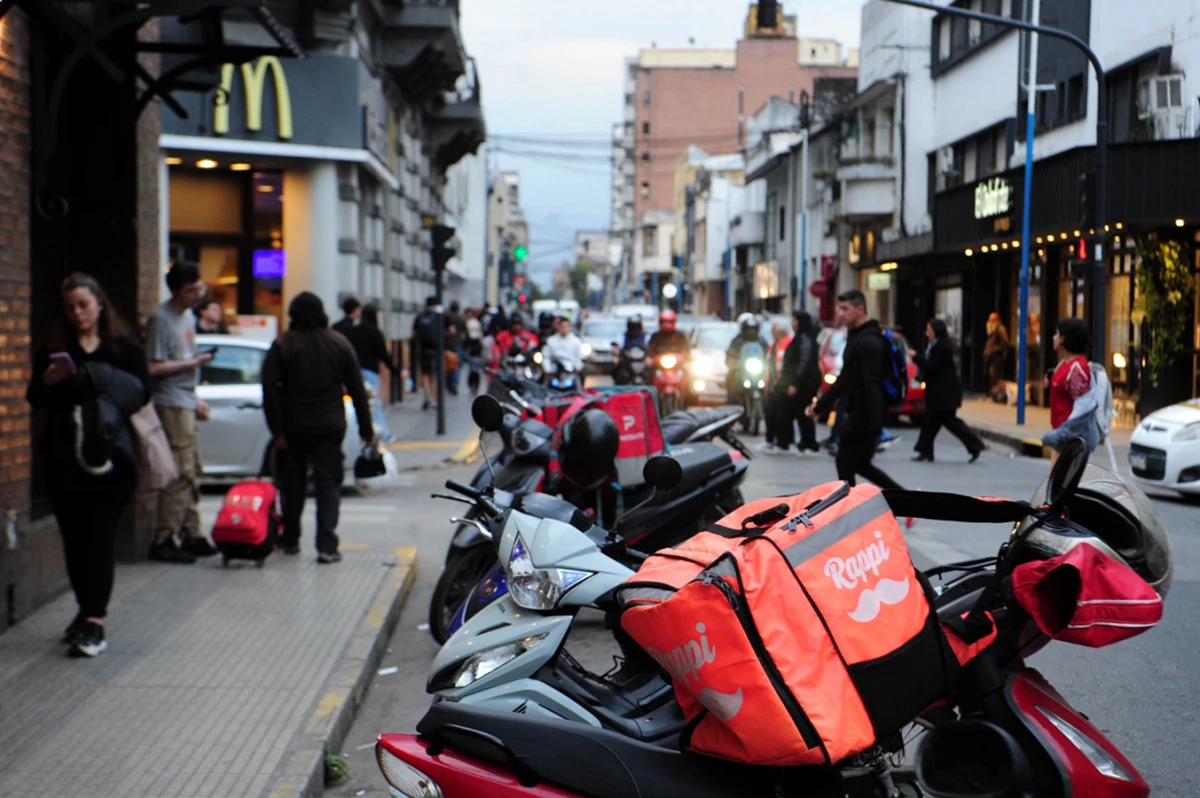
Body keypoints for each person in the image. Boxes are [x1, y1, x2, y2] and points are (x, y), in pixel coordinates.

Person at [26, 273, 149, 657]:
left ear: (99, 303)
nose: (77, 313)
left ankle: (95, 620)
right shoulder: (55, 347)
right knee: (76, 543)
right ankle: (84, 611)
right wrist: (48, 381)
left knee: (98, 540)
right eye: (69, 307)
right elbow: (35, 397)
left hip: (112, 461)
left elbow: (141, 392)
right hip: (64, 460)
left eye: (83, 304)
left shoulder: (122, 346)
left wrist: (95, 379)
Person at [262, 292, 374, 563]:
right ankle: (326, 545)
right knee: (328, 486)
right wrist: (366, 430)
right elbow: (358, 391)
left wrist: (277, 431)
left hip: (293, 428)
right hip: (329, 427)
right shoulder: (339, 343)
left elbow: (269, 390)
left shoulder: (283, 344)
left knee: (293, 485)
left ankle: (290, 538)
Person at [146, 261, 217, 564]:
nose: (197, 296)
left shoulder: (187, 316)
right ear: (175, 291)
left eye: (199, 288)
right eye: (191, 291)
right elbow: (153, 367)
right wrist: (193, 366)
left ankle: (192, 532)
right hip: (171, 400)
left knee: (193, 469)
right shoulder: (161, 320)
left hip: (186, 398)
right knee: (182, 471)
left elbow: (187, 357)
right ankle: (164, 538)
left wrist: (196, 394)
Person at [809, 291, 904, 490]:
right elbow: (845, 378)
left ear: (860, 310)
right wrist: (819, 407)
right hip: (858, 412)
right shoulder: (856, 337)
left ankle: (851, 510)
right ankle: (907, 501)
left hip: (864, 414)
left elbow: (872, 385)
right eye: (838, 308)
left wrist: (877, 426)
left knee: (844, 462)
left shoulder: (869, 342)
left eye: (845, 309)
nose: (839, 314)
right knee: (859, 464)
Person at [911, 319, 985, 463]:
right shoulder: (934, 345)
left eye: (929, 330)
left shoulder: (942, 347)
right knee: (930, 423)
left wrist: (915, 357)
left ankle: (975, 445)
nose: (927, 333)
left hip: (944, 394)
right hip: (938, 393)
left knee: (949, 422)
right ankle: (925, 451)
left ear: (936, 331)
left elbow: (932, 367)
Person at [1042, 317, 1100, 466]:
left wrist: (1063, 433)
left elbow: (1083, 406)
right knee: (1056, 484)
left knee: (1060, 485)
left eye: (1057, 334)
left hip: (1070, 438)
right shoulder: (1065, 364)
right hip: (1063, 437)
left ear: (1064, 339)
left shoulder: (1076, 370)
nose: (1054, 337)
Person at [348, 304, 397, 443]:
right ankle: (384, 434)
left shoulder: (354, 330)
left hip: (356, 371)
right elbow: (383, 354)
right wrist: (395, 370)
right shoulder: (375, 332)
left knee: (358, 402)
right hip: (370, 371)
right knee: (374, 404)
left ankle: (359, 435)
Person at [779, 311, 822, 456]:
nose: (792, 323)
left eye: (795, 320)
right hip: (799, 382)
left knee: (804, 413)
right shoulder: (800, 338)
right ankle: (798, 442)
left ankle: (810, 444)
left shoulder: (805, 339)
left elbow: (803, 362)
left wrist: (795, 383)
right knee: (791, 412)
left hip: (804, 384)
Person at [760, 321, 793, 453]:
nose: (772, 332)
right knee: (769, 412)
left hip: (782, 385)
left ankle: (783, 443)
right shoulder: (773, 345)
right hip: (773, 385)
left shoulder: (789, 343)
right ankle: (770, 440)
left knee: (781, 416)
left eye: (773, 330)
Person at [411, 296, 442, 411]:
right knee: (434, 376)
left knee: (424, 374)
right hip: (436, 350)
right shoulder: (438, 317)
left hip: (423, 349)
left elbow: (414, 333)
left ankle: (426, 396)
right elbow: (449, 331)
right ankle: (435, 400)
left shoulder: (420, 316)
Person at [725, 313, 762, 403]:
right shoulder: (737, 341)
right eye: (748, 329)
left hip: (756, 374)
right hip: (740, 373)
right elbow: (730, 355)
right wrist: (733, 363)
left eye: (753, 329)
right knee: (733, 390)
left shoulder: (761, 341)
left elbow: (767, 354)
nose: (751, 332)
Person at [611, 314, 649, 385]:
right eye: (632, 326)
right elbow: (616, 344)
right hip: (627, 362)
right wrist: (616, 350)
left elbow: (651, 346)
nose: (634, 328)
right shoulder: (623, 336)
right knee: (616, 370)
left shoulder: (646, 336)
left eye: (636, 326)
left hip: (642, 361)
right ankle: (618, 389)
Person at [984, 311, 1010, 397]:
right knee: (990, 375)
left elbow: (1005, 342)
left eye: (992, 320)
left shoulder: (1000, 329)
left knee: (995, 375)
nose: (989, 322)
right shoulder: (991, 330)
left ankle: (995, 394)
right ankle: (992, 392)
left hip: (996, 356)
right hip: (990, 356)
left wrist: (994, 350)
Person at [445, 301, 467, 396]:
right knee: (457, 365)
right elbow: (465, 332)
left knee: (447, 364)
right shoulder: (460, 318)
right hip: (458, 343)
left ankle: (449, 383)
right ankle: (455, 382)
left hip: (447, 344)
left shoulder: (446, 316)